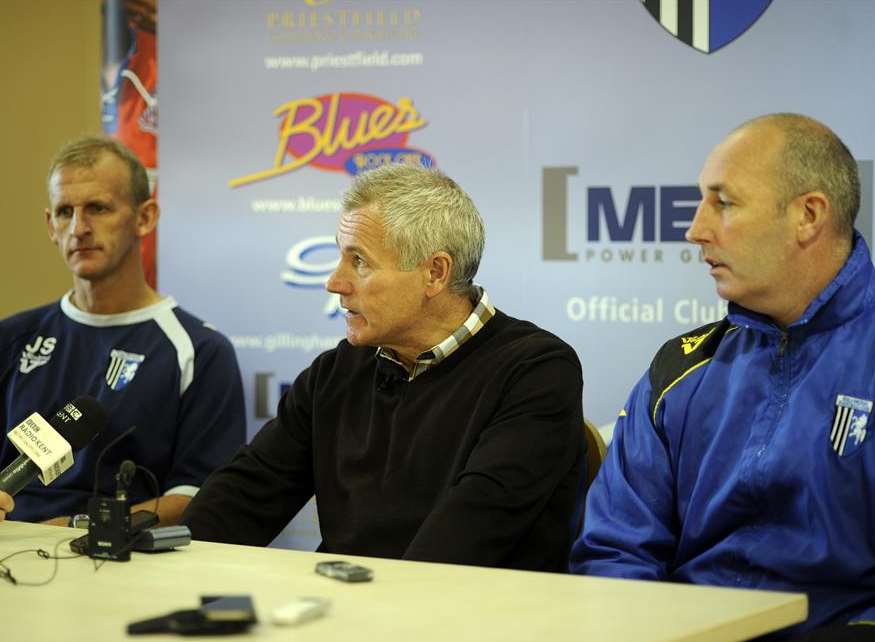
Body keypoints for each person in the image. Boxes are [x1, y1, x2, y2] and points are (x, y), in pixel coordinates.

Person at [181, 163, 584, 571]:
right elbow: (246, 493)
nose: (334, 282)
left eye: (359, 261)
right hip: (345, 610)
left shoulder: (536, 372)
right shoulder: (337, 371)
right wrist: (173, 566)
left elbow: (465, 540)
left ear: (434, 273)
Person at [571, 113, 875, 638]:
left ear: (809, 215)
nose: (695, 230)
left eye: (724, 203)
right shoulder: (681, 370)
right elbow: (614, 549)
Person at [0, 135, 245, 527]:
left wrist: (78, 528)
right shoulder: (11, 338)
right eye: (65, 212)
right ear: (50, 225)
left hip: (123, 562)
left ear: (145, 217)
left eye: (97, 208)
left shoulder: (199, 350)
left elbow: (200, 498)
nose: (79, 228)